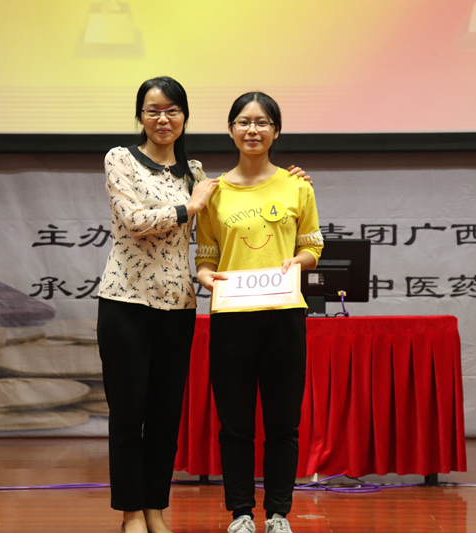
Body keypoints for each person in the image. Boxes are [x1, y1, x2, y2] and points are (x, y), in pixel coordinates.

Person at [97, 77, 311, 533]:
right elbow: (133, 220)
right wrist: (189, 208)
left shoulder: (194, 172)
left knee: (164, 417)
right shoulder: (121, 159)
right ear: (140, 116)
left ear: (184, 117)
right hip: (127, 299)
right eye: (153, 110)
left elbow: (245, 216)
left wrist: (294, 181)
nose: (163, 119)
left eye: (172, 111)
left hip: (177, 305)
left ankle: (155, 510)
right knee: (129, 413)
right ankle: (131, 513)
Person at [195, 92, 323, 533]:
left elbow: (312, 247)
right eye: (244, 122)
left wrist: (297, 262)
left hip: (284, 314)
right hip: (231, 316)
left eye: (263, 122)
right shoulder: (213, 192)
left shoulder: (297, 186)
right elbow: (205, 257)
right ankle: (242, 513)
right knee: (235, 425)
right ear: (231, 130)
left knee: (283, 423)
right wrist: (206, 277)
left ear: (276, 131)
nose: (253, 130)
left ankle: (279, 514)